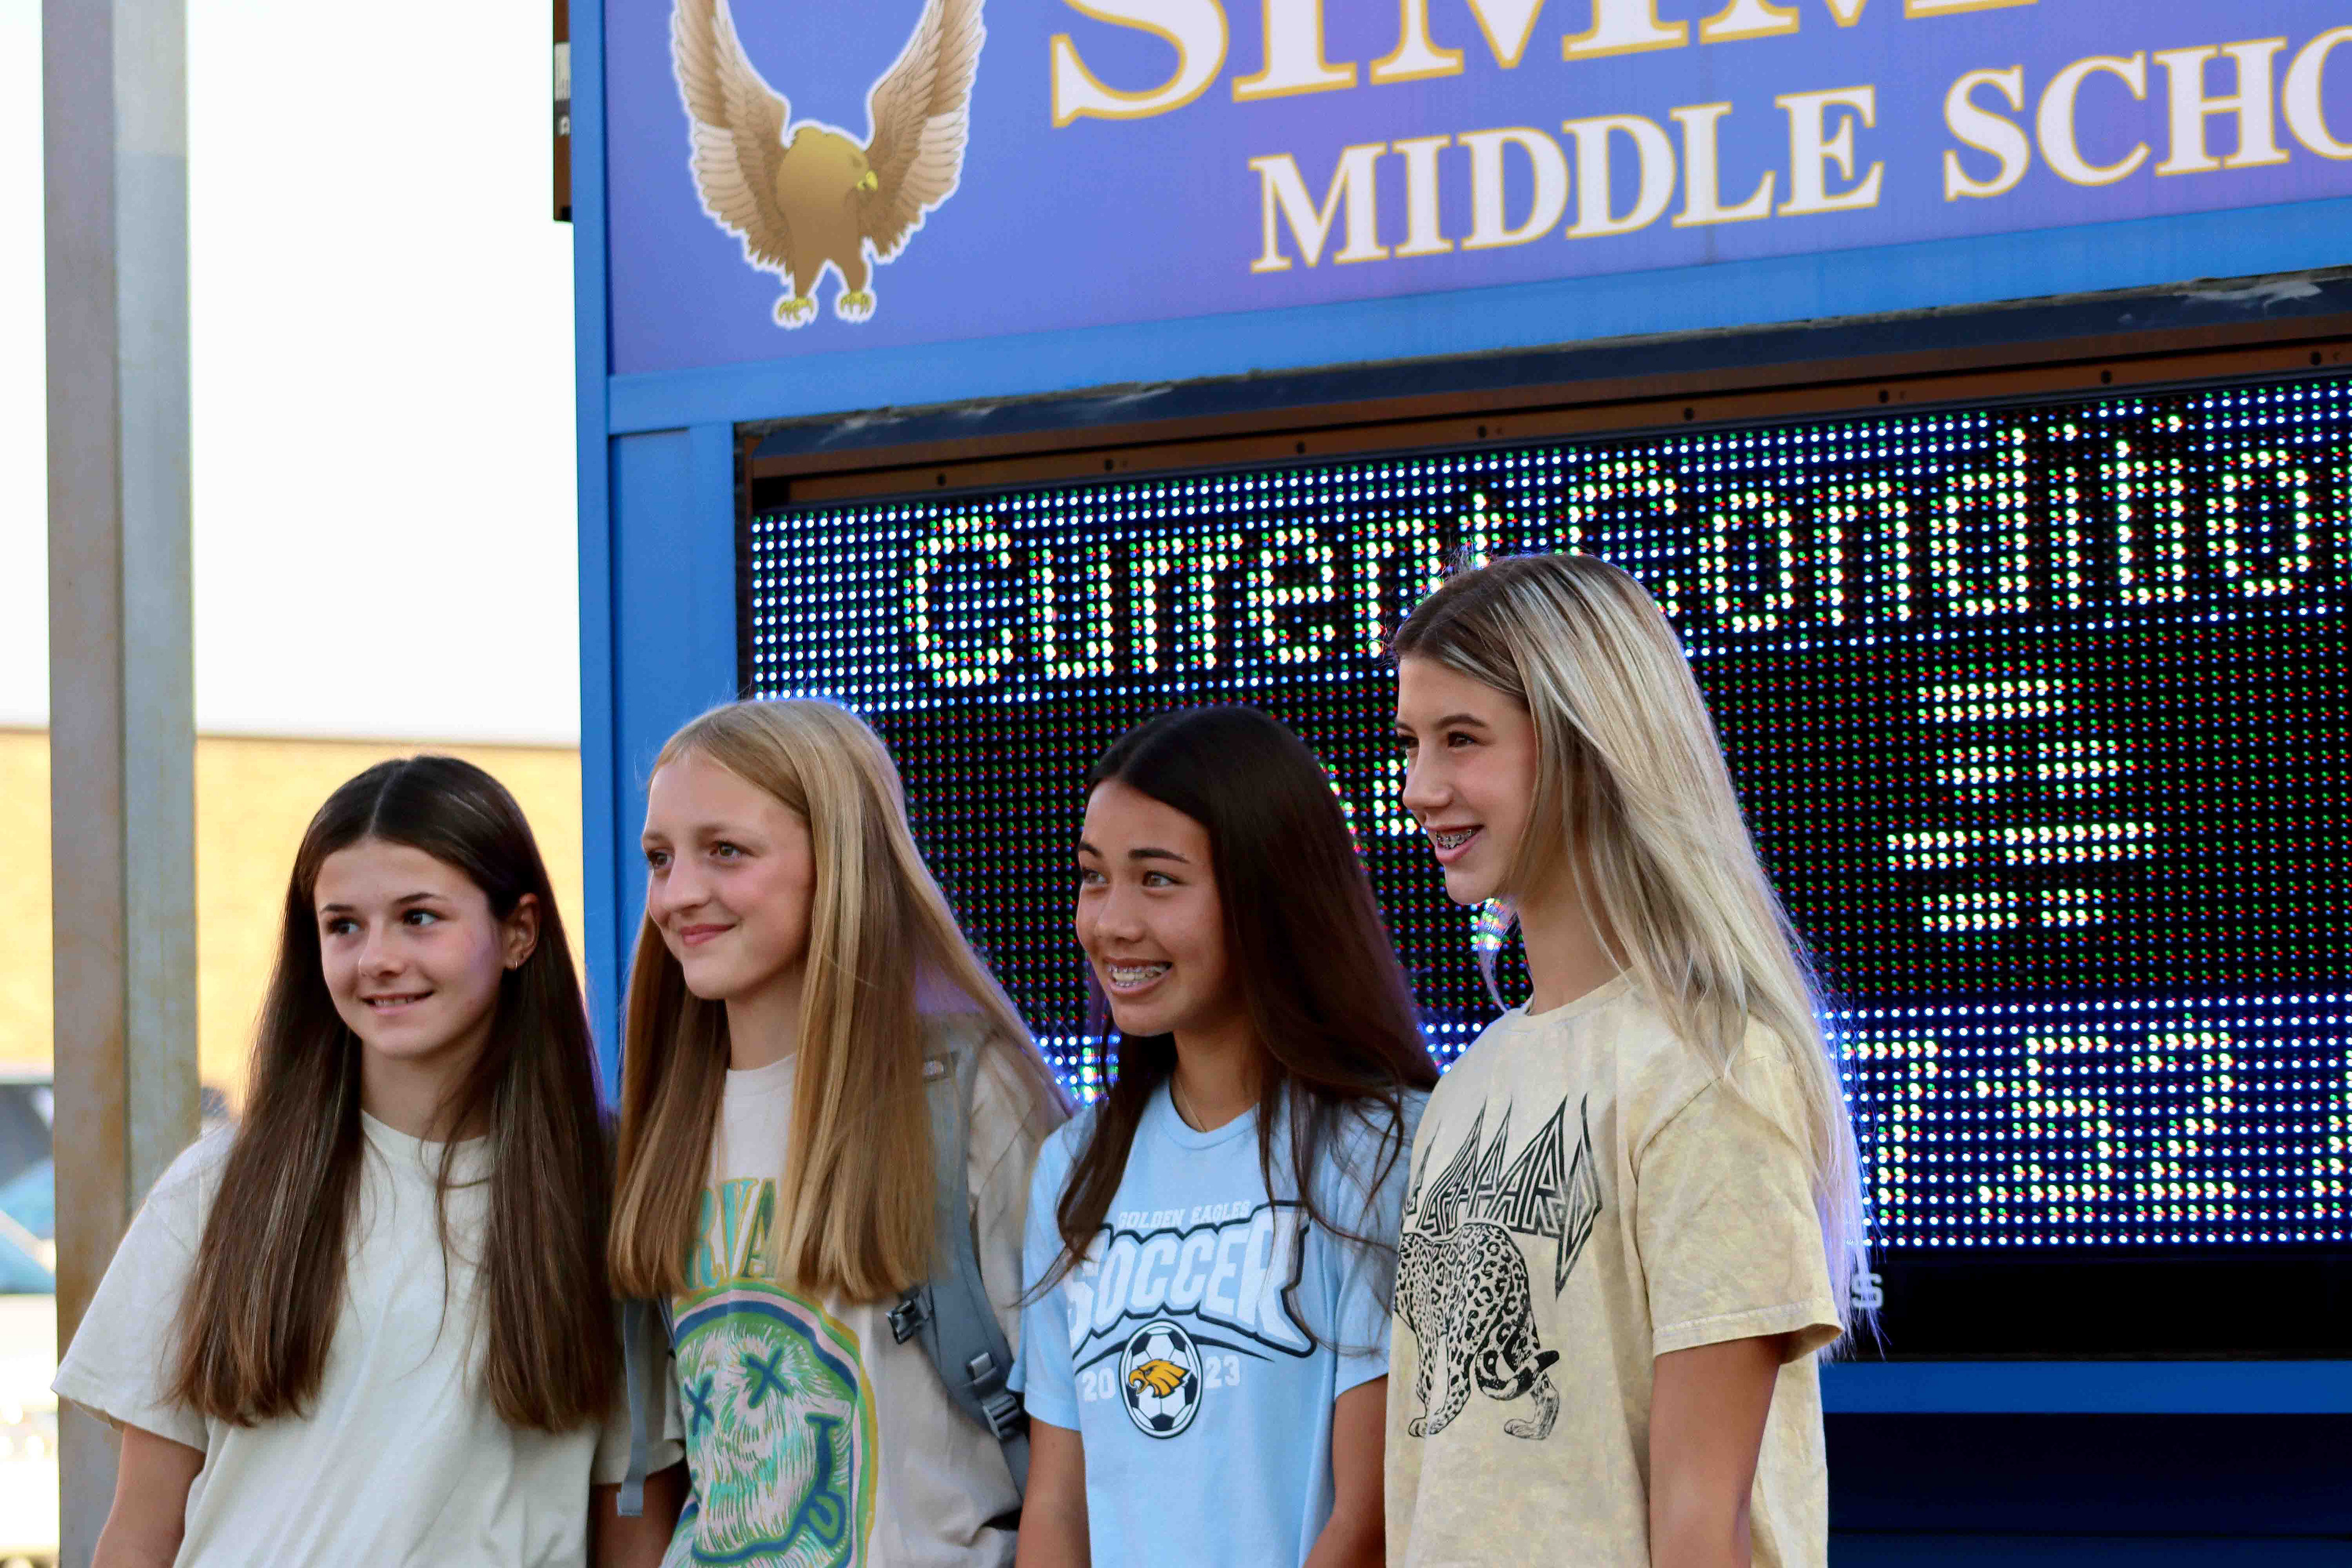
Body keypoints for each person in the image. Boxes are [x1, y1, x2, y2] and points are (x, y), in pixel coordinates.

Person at [55, 756, 678, 1567]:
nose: (377, 958)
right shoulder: (221, 1191)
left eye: (419, 917)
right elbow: (139, 1531)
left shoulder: (607, 1196)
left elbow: (632, 1523)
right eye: (343, 925)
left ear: (519, 932)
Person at [1383, 552, 1869, 1568]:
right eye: (1412, 744)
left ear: (1583, 743)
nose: (1421, 789)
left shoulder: (1711, 1066)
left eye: (1462, 740)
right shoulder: (1466, 1084)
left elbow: (1703, 1523)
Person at [608, 698, 1069, 1567]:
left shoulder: (968, 1091)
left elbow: (1073, 1442)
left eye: (726, 852)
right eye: (660, 859)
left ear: (841, 860)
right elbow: (661, 1469)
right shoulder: (664, 1121)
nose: (677, 895)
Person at [1013, 706, 1438, 1568]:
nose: (1112, 922)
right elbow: (1058, 1510)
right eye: (1094, 877)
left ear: (1265, 893)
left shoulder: (1382, 1148)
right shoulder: (1073, 1170)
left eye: (1159, 880)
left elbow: (1372, 1514)